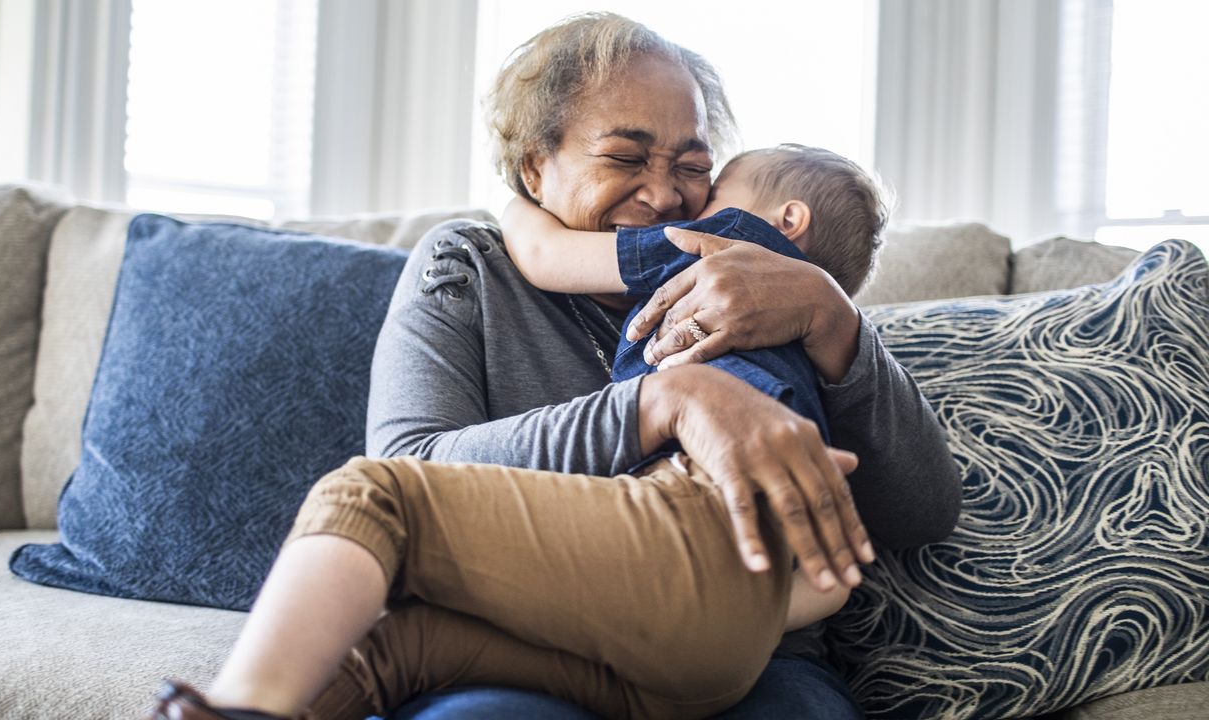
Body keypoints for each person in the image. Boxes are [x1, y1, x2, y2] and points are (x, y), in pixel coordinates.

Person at [150, 12, 960, 720]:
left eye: (690, 165)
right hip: (531, 642)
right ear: (535, 167)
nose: (667, 196)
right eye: (626, 157)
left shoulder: (768, 283)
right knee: (411, 659)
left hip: (755, 662)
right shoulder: (469, 270)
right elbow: (414, 464)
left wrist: (830, 314)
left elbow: (923, 512)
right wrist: (660, 402)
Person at [500, 143, 888, 453]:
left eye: (715, 192)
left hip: (716, 444)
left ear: (787, 222)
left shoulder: (722, 239)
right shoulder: (820, 349)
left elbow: (545, 255)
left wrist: (517, 207)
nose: (692, 208)